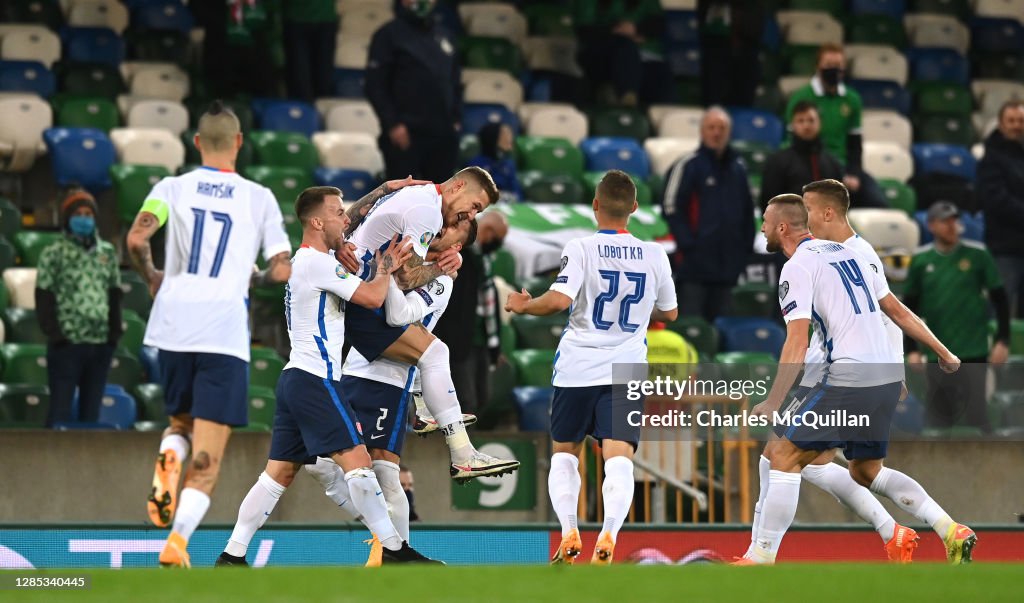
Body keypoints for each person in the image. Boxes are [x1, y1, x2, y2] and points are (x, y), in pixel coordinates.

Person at [739, 194, 976, 565]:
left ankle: (759, 558)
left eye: (766, 222)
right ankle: (949, 529)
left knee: (781, 455)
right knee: (865, 471)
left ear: (782, 227)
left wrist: (772, 400)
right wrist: (944, 352)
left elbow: (797, 340)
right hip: (883, 377)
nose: (763, 228)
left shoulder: (798, 266)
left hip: (849, 375)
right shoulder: (851, 252)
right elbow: (896, 310)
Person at [216, 186, 436, 567]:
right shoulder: (317, 263)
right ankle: (395, 549)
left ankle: (232, 554)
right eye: (337, 212)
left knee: (277, 475)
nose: (345, 219)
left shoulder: (313, 261)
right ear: (317, 222)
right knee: (358, 461)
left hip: (295, 379)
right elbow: (371, 298)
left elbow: (352, 254)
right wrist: (386, 268)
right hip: (316, 379)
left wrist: (386, 190)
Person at [126, 101, 293, 567]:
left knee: (180, 423)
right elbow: (280, 267)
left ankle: (168, 454)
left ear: (196, 143)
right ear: (239, 143)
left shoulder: (170, 187)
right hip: (222, 331)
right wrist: (260, 273)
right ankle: (176, 544)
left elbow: (137, 240)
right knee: (209, 461)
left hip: (174, 325)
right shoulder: (259, 198)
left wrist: (152, 276)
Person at [505, 170, 678, 565]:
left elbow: (559, 300)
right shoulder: (655, 254)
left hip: (578, 366)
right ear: (634, 208)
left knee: (565, 452)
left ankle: (568, 531)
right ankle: (609, 534)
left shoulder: (581, 247)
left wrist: (523, 304)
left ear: (595, 205)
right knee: (618, 456)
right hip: (628, 367)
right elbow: (670, 311)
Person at [301, 218, 476, 549]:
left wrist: (394, 273)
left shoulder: (443, 282)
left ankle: (398, 550)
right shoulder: (405, 251)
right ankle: (387, 537)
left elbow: (399, 313)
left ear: (456, 248)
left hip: (390, 378)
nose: (443, 227)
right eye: (446, 222)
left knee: (385, 472)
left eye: (452, 230)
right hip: (353, 369)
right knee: (319, 464)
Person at [339, 166, 520, 481]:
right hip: (360, 296)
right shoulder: (427, 211)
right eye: (475, 206)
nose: (469, 215)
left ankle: (437, 421)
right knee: (435, 353)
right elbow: (406, 275)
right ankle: (462, 453)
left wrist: (383, 189)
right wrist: (443, 268)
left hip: (356, 290)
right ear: (458, 185)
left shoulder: (416, 198)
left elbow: (349, 226)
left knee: (363, 468)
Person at [904, 201, 1010, 433]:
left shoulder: (978, 255)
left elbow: (1001, 300)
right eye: (945, 221)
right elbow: (907, 309)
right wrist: (911, 348)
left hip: (974, 350)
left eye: (954, 221)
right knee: (939, 419)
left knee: (978, 417)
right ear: (931, 226)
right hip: (937, 352)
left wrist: (1003, 340)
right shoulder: (921, 261)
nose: (952, 226)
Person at [35, 188, 122, 427]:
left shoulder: (107, 252)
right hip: (67, 344)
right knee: (60, 411)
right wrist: (56, 335)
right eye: (79, 213)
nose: (84, 218)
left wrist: (113, 336)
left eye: (88, 214)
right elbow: (43, 297)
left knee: (90, 415)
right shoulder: (54, 253)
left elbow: (114, 293)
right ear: (68, 218)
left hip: (99, 345)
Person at [662, 106, 755, 321]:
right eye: (711, 127)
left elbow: (748, 212)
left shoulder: (739, 168)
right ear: (702, 131)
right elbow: (670, 206)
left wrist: (744, 251)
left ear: (729, 132)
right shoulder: (688, 165)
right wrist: (689, 245)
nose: (717, 132)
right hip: (694, 269)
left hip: (729, 270)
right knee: (692, 329)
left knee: (721, 332)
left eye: (722, 127)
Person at [365, 0, 461, 182]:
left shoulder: (445, 36)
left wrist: (456, 119)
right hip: (406, 133)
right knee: (402, 199)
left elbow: (455, 82)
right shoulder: (388, 35)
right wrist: (392, 124)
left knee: (440, 200)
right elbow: (375, 85)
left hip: (443, 134)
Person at [785, 44, 886, 208]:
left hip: (842, 166)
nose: (833, 70)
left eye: (838, 66)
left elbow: (855, 143)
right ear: (818, 66)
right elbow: (791, 140)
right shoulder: (801, 97)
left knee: (877, 202)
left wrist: (853, 173)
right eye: (828, 66)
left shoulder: (852, 99)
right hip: (810, 164)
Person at [433, 210, 508, 418]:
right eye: (499, 238)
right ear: (490, 231)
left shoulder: (482, 259)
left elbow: (488, 305)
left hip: (479, 339)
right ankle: (458, 447)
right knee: (466, 399)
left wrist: (494, 345)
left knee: (482, 396)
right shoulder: (459, 257)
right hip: (456, 338)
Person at [976, 100, 1024, 317]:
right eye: (1011, 121)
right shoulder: (991, 158)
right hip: (1004, 248)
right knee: (1000, 310)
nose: (1016, 125)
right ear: (1001, 124)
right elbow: (996, 201)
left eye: (1021, 121)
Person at [574, 0, 671, 106]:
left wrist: (636, 30)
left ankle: (669, 117)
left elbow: (659, 23)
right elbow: (584, 30)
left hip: (644, 58)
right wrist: (617, 31)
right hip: (603, 56)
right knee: (625, 46)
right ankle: (626, 98)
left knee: (659, 71)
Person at [759, 101, 844, 210]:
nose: (806, 125)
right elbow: (769, 206)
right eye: (800, 121)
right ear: (792, 125)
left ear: (820, 123)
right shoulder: (777, 162)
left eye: (811, 120)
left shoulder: (833, 163)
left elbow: (841, 204)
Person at [281, 0, 337, 102]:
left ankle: (322, 111)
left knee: (323, 77)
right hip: (296, 20)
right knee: (299, 76)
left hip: (325, 20)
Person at [466, 123, 523, 202]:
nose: (509, 138)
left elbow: (518, 194)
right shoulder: (476, 164)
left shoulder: (509, 164)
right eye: (504, 135)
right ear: (492, 138)